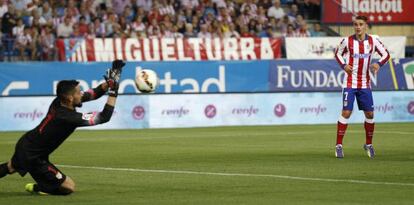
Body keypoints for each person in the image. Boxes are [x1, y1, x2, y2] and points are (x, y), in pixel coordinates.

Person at [0, 60, 126, 195]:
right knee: (69, 187)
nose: (81, 94)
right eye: (78, 92)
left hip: (27, 144)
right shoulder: (67, 118)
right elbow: (104, 117)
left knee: (10, 167)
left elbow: (93, 93)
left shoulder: (60, 101)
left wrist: (110, 82)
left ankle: (43, 185)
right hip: (33, 156)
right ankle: (41, 187)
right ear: (70, 98)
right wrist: (113, 91)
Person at [334, 15, 390, 158]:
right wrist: (344, 65)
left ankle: (368, 144)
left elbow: (386, 54)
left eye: (360, 24)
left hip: (365, 83)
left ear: (365, 26)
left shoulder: (373, 41)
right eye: (355, 24)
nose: (358, 27)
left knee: (370, 114)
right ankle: (339, 145)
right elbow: (337, 54)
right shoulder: (347, 41)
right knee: (346, 112)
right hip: (349, 83)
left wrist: (378, 64)